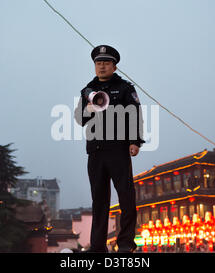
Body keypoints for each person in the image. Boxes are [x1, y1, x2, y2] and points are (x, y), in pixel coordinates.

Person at [74, 45, 145, 253]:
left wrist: (135, 141)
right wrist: (90, 106)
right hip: (95, 151)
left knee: (126, 197)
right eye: (98, 63)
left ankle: (125, 244)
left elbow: (135, 115)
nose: (101, 66)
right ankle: (97, 247)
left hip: (118, 149)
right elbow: (79, 119)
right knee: (99, 200)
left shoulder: (124, 88)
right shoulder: (88, 90)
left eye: (106, 63)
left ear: (114, 66)